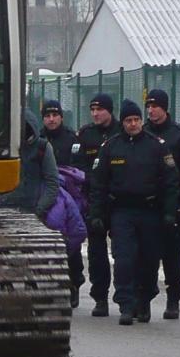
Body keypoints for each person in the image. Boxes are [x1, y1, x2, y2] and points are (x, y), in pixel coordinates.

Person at [88, 100, 178, 326]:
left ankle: (144, 301)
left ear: (141, 121)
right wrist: (97, 214)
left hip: (150, 211)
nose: (133, 124)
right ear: (123, 122)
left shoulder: (157, 146)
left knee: (149, 260)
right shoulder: (111, 147)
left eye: (137, 120)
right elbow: (99, 184)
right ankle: (126, 304)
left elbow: (170, 182)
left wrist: (169, 212)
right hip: (122, 211)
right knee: (124, 259)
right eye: (128, 120)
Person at [143, 89, 180, 320]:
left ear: (165, 108)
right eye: (148, 105)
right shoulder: (142, 133)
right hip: (148, 206)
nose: (151, 110)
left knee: (172, 256)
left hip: (174, 207)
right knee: (145, 256)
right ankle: (144, 298)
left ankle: (173, 297)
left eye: (156, 105)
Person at [76, 93, 116, 316]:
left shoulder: (121, 132)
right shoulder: (85, 135)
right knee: (96, 253)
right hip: (94, 201)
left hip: (118, 201)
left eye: (99, 110)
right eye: (92, 110)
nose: (95, 114)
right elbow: (78, 165)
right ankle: (100, 297)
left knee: (122, 253)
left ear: (109, 111)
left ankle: (126, 297)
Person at [41, 99, 84, 305]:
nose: (51, 119)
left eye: (54, 115)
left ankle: (74, 281)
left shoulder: (72, 139)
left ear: (61, 117)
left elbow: (79, 170)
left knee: (70, 241)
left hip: (70, 197)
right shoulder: (37, 138)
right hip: (45, 195)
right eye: (47, 116)